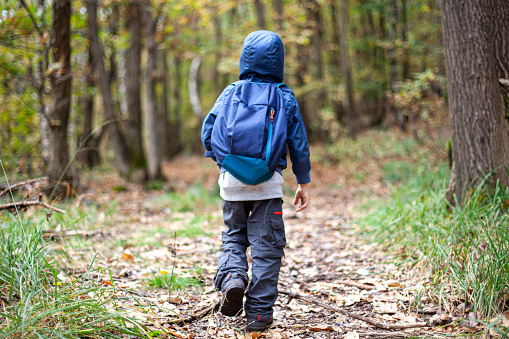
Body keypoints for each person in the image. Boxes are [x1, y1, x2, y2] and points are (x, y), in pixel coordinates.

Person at [201, 30, 311, 332]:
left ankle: (233, 278)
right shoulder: (284, 96)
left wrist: (223, 161)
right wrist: (303, 180)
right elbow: (298, 142)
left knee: (233, 235)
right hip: (268, 185)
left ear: (245, 58)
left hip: (231, 183)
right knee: (267, 248)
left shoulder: (230, 91)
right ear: (279, 61)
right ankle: (259, 316)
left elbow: (208, 130)